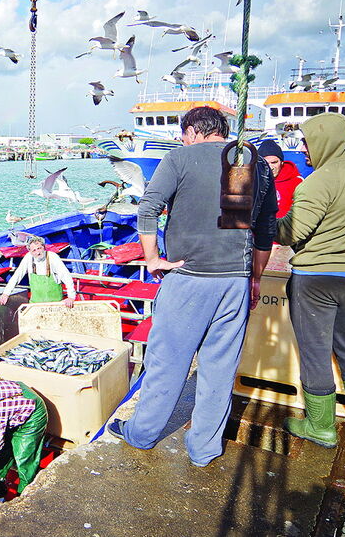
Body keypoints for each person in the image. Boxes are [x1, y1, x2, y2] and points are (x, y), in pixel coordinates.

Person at [108, 106, 277, 467]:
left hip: (188, 279)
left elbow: (148, 209)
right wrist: (256, 278)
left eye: (183, 134)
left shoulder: (179, 158)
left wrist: (153, 259)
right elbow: (265, 229)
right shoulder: (256, 162)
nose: (182, 140)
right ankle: (204, 449)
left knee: (167, 362)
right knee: (219, 369)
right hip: (235, 282)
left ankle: (142, 434)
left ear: (193, 131)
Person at [277, 113, 345, 447]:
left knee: (315, 352)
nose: (303, 149)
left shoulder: (317, 182)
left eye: (307, 142)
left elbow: (292, 233)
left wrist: (257, 221)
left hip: (316, 279)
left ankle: (320, 426)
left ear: (324, 141)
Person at [0, 235, 76, 307]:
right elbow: (17, 276)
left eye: (39, 248)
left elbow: (66, 277)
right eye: (34, 250)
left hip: (55, 303)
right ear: (30, 252)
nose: (37, 252)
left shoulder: (53, 257)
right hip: (36, 303)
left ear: (44, 247)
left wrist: (71, 297)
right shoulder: (28, 258)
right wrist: (6, 293)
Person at [257, 139, 303, 218]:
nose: (270, 167)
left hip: (286, 228)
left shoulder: (297, 182)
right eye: (266, 163)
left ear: (281, 163)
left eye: (274, 162)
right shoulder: (253, 181)